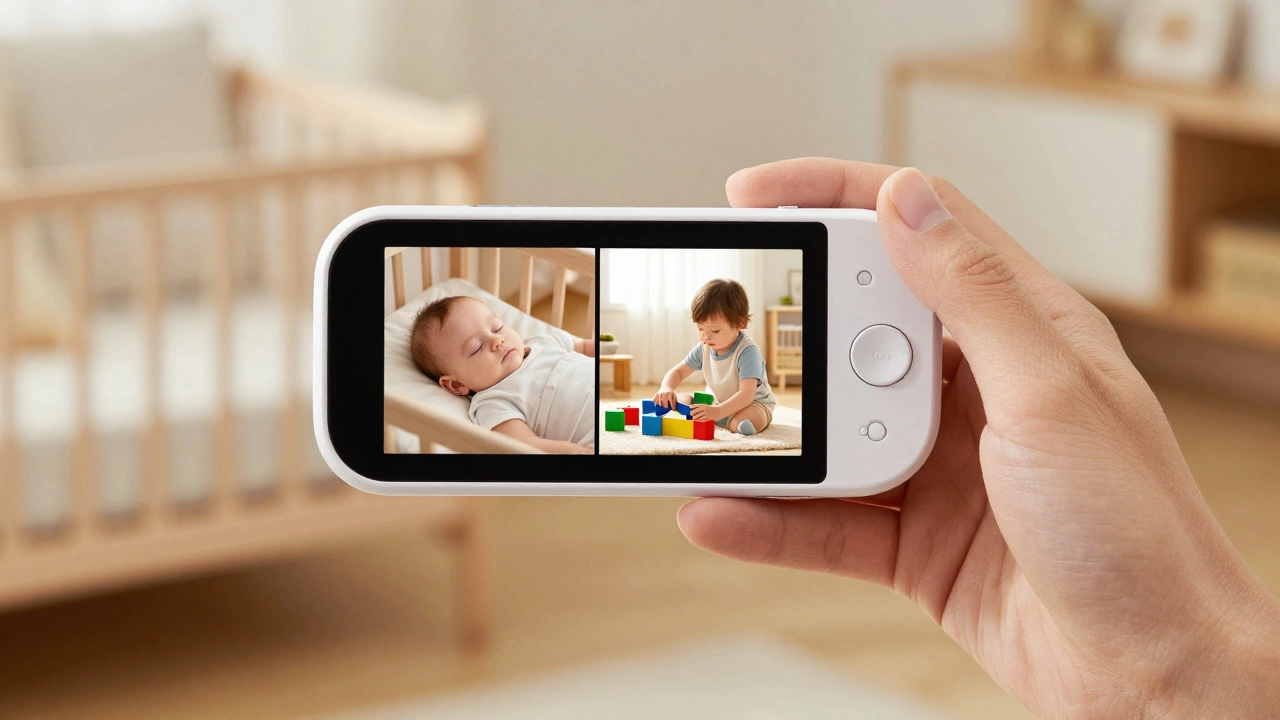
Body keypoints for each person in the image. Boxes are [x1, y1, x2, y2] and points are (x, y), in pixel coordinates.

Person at [676, 158, 1280, 717]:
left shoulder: (748, 353)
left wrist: (1174, 672)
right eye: (702, 333)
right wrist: (678, 380)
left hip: (749, 404)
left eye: (716, 332)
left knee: (748, 419)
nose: (708, 341)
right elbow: (683, 371)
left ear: (741, 326)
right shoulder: (700, 347)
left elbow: (739, 397)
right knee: (706, 418)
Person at [410, 295, 594, 453]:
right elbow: (523, 444)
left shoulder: (543, 341)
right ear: (456, 385)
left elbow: (585, 347)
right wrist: (573, 451)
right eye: (477, 348)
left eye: (497, 327)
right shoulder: (493, 401)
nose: (497, 340)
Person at [652, 278, 777, 435]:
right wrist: (666, 388)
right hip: (717, 401)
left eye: (715, 331)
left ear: (740, 323)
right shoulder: (704, 347)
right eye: (700, 329)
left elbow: (746, 395)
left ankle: (730, 422)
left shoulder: (747, 351)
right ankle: (692, 415)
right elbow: (678, 372)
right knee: (682, 399)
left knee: (751, 418)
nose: (706, 337)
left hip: (752, 403)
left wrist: (717, 412)